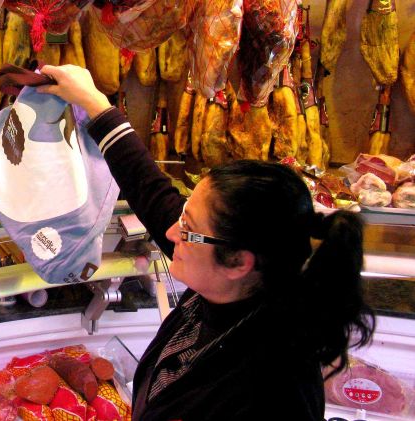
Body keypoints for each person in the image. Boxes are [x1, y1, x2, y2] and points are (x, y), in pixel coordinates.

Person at [37, 65, 375, 420]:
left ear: (239, 261)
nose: (170, 232)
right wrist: (92, 100)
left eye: (187, 227)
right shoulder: (237, 285)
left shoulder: (271, 392)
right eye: (184, 215)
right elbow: (151, 191)